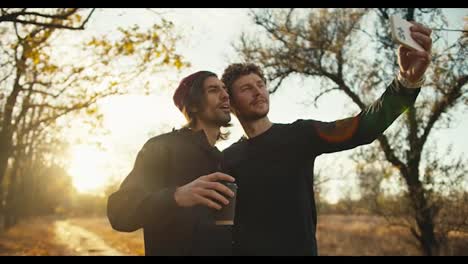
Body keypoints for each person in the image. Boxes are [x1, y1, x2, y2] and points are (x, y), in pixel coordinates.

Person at [221, 22, 433, 255]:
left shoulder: (299, 135)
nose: (258, 91)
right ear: (230, 103)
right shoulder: (227, 159)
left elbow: (362, 128)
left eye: (260, 84)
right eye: (246, 88)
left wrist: (406, 82)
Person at [107, 71, 236, 256]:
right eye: (213, 90)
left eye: (225, 89)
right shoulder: (161, 147)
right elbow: (119, 213)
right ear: (193, 104)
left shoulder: (224, 159)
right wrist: (176, 196)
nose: (225, 95)